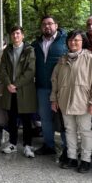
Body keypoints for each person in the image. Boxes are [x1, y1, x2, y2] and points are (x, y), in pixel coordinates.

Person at [51, 30, 92, 172]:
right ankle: (72, 157)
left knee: (85, 131)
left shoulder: (91, 59)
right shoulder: (62, 60)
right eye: (70, 40)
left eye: (77, 40)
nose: (73, 43)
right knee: (69, 130)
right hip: (64, 101)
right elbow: (55, 80)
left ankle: (86, 160)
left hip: (84, 102)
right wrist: (54, 99)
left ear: (83, 42)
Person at [32, 16, 68, 156]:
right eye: (44, 24)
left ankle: (67, 148)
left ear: (56, 25)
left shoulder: (65, 41)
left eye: (50, 23)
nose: (47, 26)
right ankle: (49, 145)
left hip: (61, 88)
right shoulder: (36, 44)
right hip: (42, 86)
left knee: (64, 118)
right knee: (45, 118)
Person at [0, 26, 37, 156]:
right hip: (10, 90)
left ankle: (28, 145)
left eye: (18, 33)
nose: (15, 36)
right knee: (12, 118)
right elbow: (2, 69)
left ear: (23, 35)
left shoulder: (29, 50)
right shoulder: (7, 50)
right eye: (13, 34)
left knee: (26, 119)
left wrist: (16, 84)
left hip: (24, 90)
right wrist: (9, 84)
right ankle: (13, 144)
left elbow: (30, 71)